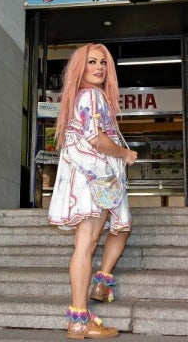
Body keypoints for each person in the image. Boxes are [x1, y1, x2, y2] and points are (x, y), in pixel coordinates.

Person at [48, 43, 138, 339]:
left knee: (118, 228)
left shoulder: (84, 96)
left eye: (103, 62)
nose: (99, 67)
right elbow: (96, 139)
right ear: (80, 68)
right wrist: (124, 153)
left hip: (94, 175)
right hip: (95, 174)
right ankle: (78, 317)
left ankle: (102, 281)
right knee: (86, 244)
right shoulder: (90, 95)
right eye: (92, 62)